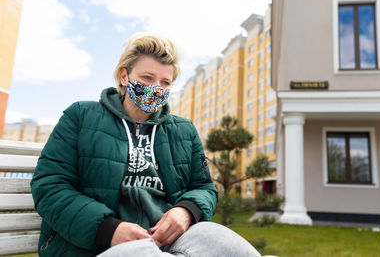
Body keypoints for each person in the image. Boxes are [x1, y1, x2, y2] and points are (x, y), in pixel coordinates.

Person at [31, 34, 261, 257]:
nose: (156, 88)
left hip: (171, 241)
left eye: (165, 82)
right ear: (124, 77)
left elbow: (204, 187)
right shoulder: (81, 116)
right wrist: (107, 229)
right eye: (147, 78)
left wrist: (187, 211)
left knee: (236, 250)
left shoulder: (184, 130)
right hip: (99, 244)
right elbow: (50, 185)